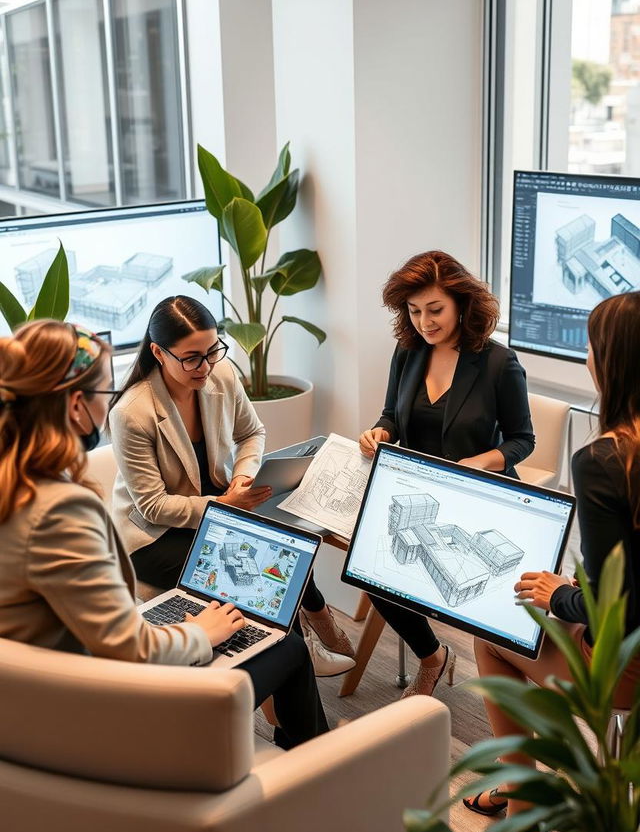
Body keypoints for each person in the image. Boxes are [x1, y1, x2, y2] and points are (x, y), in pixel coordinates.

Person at [0, 319, 328, 749]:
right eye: (105, 392)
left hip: (41, 697)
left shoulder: (18, 483)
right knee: (287, 649)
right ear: (77, 406)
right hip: (98, 706)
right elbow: (130, 649)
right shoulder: (59, 511)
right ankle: (320, 766)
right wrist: (201, 633)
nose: (111, 403)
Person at [466, 290, 640, 832]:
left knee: (494, 632)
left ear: (608, 362)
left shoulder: (606, 460)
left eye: (590, 347)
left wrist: (563, 594)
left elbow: (617, 605)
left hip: (626, 668)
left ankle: (524, 813)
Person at [109, 295, 355, 676]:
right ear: (158, 352)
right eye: (191, 357)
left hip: (219, 512)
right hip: (154, 537)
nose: (205, 366)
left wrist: (242, 475)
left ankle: (309, 633)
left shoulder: (219, 375)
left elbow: (251, 432)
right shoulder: (132, 412)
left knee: (284, 545)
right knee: (260, 564)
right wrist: (226, 504)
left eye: (213, 351)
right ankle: (306, 642)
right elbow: (153, 507)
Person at [359, 251, 534, 697]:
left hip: (478, 494)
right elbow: (391, 415)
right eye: (414, 311)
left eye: (434, 310)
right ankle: (432, 655)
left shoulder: (498, 363)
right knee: (369, 562)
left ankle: (504, 689)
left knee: (473, 590)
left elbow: (521, 440)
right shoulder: (408, 352)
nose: (424, 322)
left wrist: (480, 462)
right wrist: (381, 431)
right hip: (418, 490)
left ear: (461, 303)